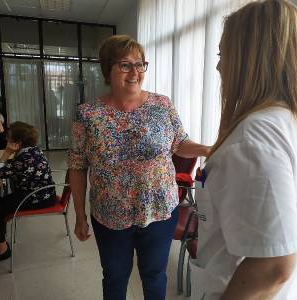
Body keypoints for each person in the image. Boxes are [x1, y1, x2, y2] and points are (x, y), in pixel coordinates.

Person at [190, 1, 297, 299]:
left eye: (223, 55)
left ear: (248, 59)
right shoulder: (289, 122)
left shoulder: (254, 138)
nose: (219, 66)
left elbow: (273, 267)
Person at [68, 35, 210, 300]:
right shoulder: (87, 114)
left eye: (140, 64)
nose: (135, 72)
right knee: (114, 277)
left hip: (159, 210)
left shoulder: (162, 104)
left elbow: (179, 143)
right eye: (125, 65)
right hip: (110, 214)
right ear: (107, 70)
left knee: (155, 276)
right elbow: (77, 165)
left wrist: (205, 149)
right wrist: (79, 214)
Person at [0, 121, 56, 264]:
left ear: (18, 142)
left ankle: (2, 251)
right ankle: (0, 243)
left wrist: (6, 153)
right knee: (0, 203)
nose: (6, 139)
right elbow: (15, 166)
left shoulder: (23, 159)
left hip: (35, 197)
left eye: (9, 137)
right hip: (45, 193)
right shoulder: (33, 150)